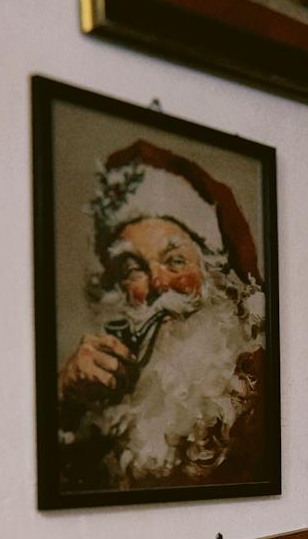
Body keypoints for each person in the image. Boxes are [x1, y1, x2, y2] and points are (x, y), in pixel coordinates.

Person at [57, 140, 268, 491]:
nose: (157, 283)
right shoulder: (103, 398)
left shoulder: (258, 388)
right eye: (134, 269)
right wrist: (66, 400)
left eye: (175, 261)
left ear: (211, 275)